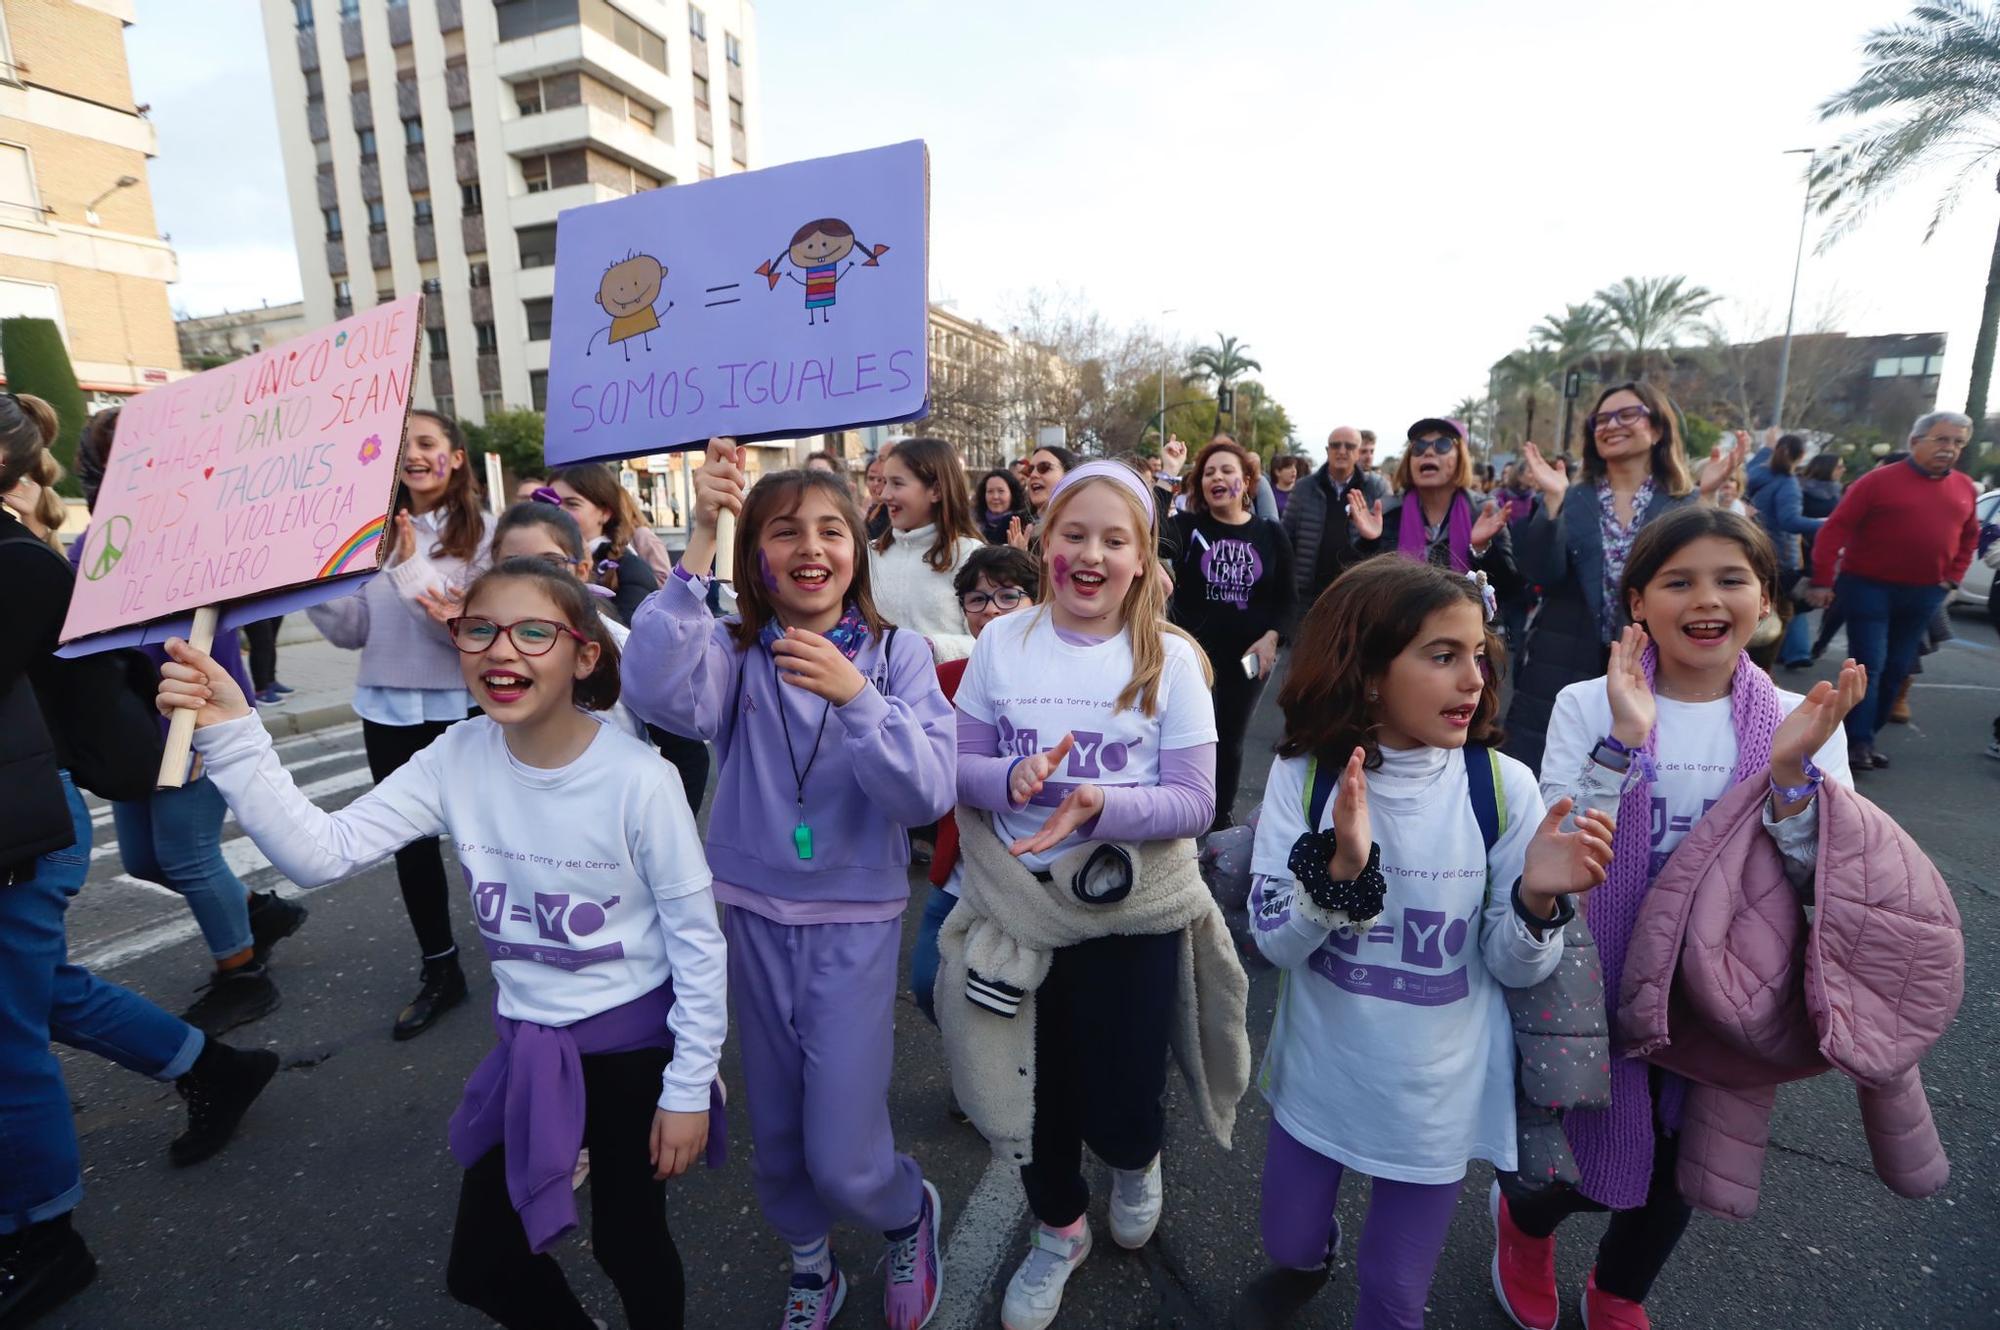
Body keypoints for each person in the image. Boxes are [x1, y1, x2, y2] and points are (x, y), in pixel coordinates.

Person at [159, 557, 725, 1330]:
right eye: (479, 630)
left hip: (632, 1057)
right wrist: (232, 730)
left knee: (630, 1243)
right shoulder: (455, 756)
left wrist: (689, 1088)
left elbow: (698, 945)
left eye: (534, 632)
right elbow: (321, 851)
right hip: (528, 1051)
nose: (502, 650)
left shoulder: (641, 780)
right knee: (483, 1267)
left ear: (583, 654)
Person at [1496, 506, 1856, 1330]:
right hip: (1603, 974)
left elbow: (1814, 873)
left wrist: (1794, 775)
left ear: (1764, 597)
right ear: (1638, 602)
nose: (1707, 599)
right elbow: (1562, 849)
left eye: (1732, 579)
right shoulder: (1591, 702)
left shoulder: (1802, 719)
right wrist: (1625, 740)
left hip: (1721, 984)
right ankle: (1522, 1226)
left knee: (1682, 1161)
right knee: (1571, 1151)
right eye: (1679, 581)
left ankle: (1619, 1291)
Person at [1229, 560, 1613, 1330]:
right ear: (1368, 671)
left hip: (1435, 1103)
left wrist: (1538, 898)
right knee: (1289, 1239)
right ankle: (1313, 1255)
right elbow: (1274, 940)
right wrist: (1337, 874)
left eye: (1478, 655)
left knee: (1397, 1295)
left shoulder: (1502, 787)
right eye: (1442, 656)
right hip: (1320, 1077)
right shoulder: (1305, 775)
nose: (1471, 679)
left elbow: (1512, 962)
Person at [623, 440, 953, 1330]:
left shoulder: (898, 658)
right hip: (748, 915)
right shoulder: (733, 652)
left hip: (855, 921)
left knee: (844, 1152)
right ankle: (813, 1263)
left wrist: (857, 699)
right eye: (783, 531)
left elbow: (927, 793)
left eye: (831, 528)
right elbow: (656, 692)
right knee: (777, 1136)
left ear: (859, 544)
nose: (811, 546)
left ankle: (904, 1211)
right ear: (756, 557)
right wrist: (697, 539)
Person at [943, 460, 1246, 1330]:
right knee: (1034, 1096)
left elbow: (1196, 802)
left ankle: (1135, 1158)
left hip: (1130, 912)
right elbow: (959, 772)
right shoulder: (1001, 642)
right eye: (1074, 534)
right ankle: (1058, 1229)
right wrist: (1011, 775)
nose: (1091, 555)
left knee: (1120, 1093)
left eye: (1116, 540)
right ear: (1042, 542)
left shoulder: (1174, 659)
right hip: (1016, 904)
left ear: (1145, 558)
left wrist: (1098, 803)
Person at [2, 394, 277, 1328]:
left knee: (14, 1027)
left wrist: (201, 720)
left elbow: (199, 639)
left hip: (74, 792)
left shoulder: (26, 563)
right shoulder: (70, 553)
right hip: (88, 778)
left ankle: (43, 1233)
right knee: (38, 991)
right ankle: (212, 1062)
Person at [68, 407, 309, 1035]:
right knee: (146, 861)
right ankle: (258, 912)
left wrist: (204, 723)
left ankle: (244, 975)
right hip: (132, 731)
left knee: (187, 855)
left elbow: (217, 641)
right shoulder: (87, 547)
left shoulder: (192, 536)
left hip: (190, 718)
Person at [307, 408, 494, 1039]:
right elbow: (351, 629)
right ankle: (441, 969)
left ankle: (533, 952)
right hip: (385, 708)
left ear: (457, 455)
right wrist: (318, 579)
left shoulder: (486, 535)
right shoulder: (374, 532)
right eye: (402, 444)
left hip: (463, 706)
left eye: (427, 443)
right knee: (409, 848)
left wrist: (411, 565)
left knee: (491, 839)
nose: (413, 454)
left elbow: (462, 633)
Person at [1502, 381, 1741, 771]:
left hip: (1653, 659)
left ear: (1658, 429)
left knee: (1642, 772)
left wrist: (1707, 499)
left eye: (1627, 414)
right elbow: (1540, 574)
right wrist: (1551, 505)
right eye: (1602, 419)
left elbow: (1708, 574)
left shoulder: (1680, 502)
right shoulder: (1574, 496)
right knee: (1550, 768)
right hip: (1562, 655)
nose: (1611, 425)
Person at [908, 543, 1040, 1030]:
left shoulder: (1062, 675)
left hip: (1034, 869)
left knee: (1020, 997)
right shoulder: (945, 678)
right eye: (977, 599)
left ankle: (998, 1086)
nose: (991, 610)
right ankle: (972, 1068)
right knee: (927, 982)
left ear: (1037, 601)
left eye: (1008, 596)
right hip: (961, 864)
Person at [1806, 411, 1978, 770]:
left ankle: (1867, 735)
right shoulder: (1876, 482)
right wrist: (1822, 579)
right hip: (1868, 587)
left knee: (1899, 668)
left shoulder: (1964, 487)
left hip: (1924, 593)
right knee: (1871, 664)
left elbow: (1969, 536)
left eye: (1958, 442)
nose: (1950, 448)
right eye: (1941, 439)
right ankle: (1856, 743)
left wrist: (1952, 579)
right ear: (1915, 442)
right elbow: (1834, 530)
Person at [1167, 438, 1296, 834]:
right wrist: (1170, 472)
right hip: (1195, 654)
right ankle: (1185, 810)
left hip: (1249, 656)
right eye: (1208, 473)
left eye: (1227, 471)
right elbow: (1147, 533)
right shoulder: (1187, 528)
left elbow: (1288, 599)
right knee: (1191, 734)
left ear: (1247, 481)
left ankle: (1220, 818)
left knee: (1230, 736)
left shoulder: (1271, 535)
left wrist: (1273, 636)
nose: (1217, 478)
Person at [1352, 417, 1516, 586]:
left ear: (1460, 458)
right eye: (1419, 447)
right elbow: (1358, 585)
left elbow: (1508, 589)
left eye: (1443, 444)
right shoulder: (1387, 513)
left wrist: (1481, 549)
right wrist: (1368, 543)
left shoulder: (1482, 512)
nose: (1428, 452)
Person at [868, 436, 986, 662]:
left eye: (897, 483)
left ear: (936, 491)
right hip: (876, 693)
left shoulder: (970, 554)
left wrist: (931, 646)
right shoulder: (870, 554)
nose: (884, 495)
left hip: (946, 693)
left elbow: (989, 642)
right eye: (884, 482)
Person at [1281, 425, 1391, 611]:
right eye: (1335, 445)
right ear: (1327, 450)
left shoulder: (1375, 488)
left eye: (1349, 446)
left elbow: (1388, 545)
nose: (1341, 451)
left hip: (1357, 595)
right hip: (1308, 596)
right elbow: (1285, 540)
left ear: (1358, 452)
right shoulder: (1303, 488)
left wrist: (1373, 537)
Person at [1746, 434, 1823, 670]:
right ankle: (1762, 672)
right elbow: (1790, 521)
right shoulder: (1788, 484)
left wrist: (1765, 448)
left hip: (1753, 550)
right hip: (1780, 556)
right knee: (1782, 613)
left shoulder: (1756, 473)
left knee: (1753, 609)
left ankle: (1744, 665)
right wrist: (1829, 523)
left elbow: (1750, 468)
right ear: (1801, 456)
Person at [550, 464, 661, 627]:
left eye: (572, 504)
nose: (557, 511)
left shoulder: (630, 568)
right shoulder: (533, 559)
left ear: (605, 513)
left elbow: (628, 639)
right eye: (551, 502)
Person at [1008, 444, 1078, 551]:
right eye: (1030, 470)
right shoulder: (1019, 527)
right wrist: (1018, 558)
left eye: (1044, 468)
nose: (1033, 475)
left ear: (1068, 474)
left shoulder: (1083, 527)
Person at [976, 467, 1034, 546]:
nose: (995, 497)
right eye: (990, 491)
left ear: (1012, 494)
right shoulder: (975, 527)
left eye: (1001, 491)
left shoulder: (1023, 526)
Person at [1268, 454, 1306, 518]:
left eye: (1295, 467)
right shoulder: (1269, 493)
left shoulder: (1302, 491)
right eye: (1289, 467)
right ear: (1277, 472)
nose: (1294, 471)